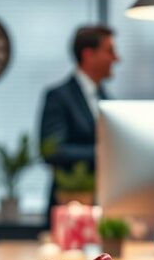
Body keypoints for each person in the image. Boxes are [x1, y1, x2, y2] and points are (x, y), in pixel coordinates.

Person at [39, 25, 119, 208]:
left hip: (105, 203)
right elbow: (52, 151)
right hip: (69, 203)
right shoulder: (58, 97)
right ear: (88, 54)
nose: (116, 58)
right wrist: (103, 154)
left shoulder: (109, 101)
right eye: (110, 51)